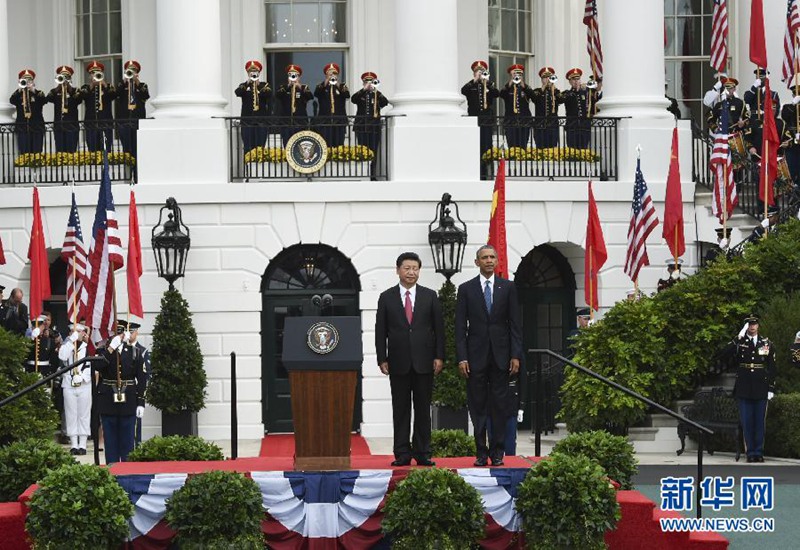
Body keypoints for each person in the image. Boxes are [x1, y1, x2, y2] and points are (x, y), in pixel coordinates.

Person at [375, 252, 445, 467]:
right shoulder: (386, 297)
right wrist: (381, 358)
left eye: (415, 268)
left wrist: (439, 356)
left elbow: (439, 330)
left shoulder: (430, 295)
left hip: (425, 361)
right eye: (407, 268)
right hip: (398, 362)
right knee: (401, 409)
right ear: (398, 270)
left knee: (423, 409)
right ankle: (402, 453)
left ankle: (423, 452)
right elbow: (380, 331)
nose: (411, 272)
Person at [455, 245, 522, 467]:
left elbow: (515, 325)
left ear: (497, 262)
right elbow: (459, 328)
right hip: (475, 358)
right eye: (484, 257)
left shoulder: (508, 287)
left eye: (493, 257)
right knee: (478, 406)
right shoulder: (466, 289)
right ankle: (481, 453)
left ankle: (498, 452)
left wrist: (515, 355)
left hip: (502, 357)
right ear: (477, 262)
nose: (489, 260)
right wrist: (462, 357)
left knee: (500, 406)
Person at [721, 314, 776, 463]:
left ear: (758, 325)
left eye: (754, 324)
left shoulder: (766, 343)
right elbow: (723, 355)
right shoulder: (740, 343)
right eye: (749, 324)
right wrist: (737, 338)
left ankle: (759, 452)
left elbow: (771, 366)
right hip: (744, 387)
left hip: (760, 387)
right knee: (747, 421)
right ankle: (750, 452)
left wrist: (771, 388)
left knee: (759, 422)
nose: (752, 326)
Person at [97, 320, 146, 463]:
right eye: (115, 333)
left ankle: (127, 473)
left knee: (127, 442)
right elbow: (98, 366)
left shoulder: (134, 353)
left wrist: (141, 402)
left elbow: (141, 379)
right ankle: (111, 472)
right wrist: (111, 349)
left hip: (128, 401)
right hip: (108, 401)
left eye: (120, 333)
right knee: (110, 443)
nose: (117, 336)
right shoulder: (104, 352)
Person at [461, 60, 500, 178]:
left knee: (487, 146)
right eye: (478, 71)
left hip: (487, 120)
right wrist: (475, 81)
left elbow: (496, 93)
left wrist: (487, 82)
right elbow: (463, 91)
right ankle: (476, 172)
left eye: (482, 71)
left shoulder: (489, 84)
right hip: (475, 120)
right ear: (474, 73)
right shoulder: (470, 85)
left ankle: (487, 173)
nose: (480, 73)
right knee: (475, 146)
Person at [58, 322, 91, 455]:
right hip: (68, 384)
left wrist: (83, 377)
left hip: (84, 385)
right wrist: (71, 341)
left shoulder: (87, 348)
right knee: (71, 414)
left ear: (84, 333)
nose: (76, 334)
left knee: (83, 414)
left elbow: (91, 366)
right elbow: (62, 356)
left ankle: (82, 444)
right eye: (73, 331)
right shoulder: (67, 346)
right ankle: (74, 444)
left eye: (79, 331)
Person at [351, 72, 389, 179]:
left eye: (371, 81)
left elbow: (385, 102)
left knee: (373, 152)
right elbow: (353, 99)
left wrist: (376, 90)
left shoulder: (377, 94)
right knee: (363, 151)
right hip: (361, 126)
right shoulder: (361, 94)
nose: (369, 83)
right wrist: (364, 89)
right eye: (366, 81)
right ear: (363, 82)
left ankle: (372, 175)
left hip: (374, 127)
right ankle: (363, 173)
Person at [115, 60, 150, 162]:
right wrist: (125, 81)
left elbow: (145, 95)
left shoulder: (142, 85)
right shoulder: (122, 85)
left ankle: (137, 174)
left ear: (137, 72)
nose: (131, 72)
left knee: (137, 149)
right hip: (124, 121)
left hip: (137, 121)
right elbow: (116, 94)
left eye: (133, 70)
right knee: (127, 151)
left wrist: (137, 82)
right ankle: (128, 174)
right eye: (129, 70)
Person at [235, 60, 272, 155]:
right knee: (248, 147)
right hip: (247, 122)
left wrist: (258, 85)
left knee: (260, 147)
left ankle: (258, 169)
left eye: (255, 72)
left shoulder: (264, 85)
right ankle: (248, 169)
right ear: (248, 73)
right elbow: (238, 92)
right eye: (251, 72)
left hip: (261, 122)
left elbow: (268, 94)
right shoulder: (244, 86)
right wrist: (248, 83)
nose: (253, 74)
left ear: (259, 73)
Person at [79, 61, 117, 152]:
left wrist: (103, 84)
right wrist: (92, 86)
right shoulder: (85, 87)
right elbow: (82, 97)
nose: (95, 75)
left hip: (106, 122)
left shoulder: (108, 87)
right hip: (91, 123)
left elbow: (114, 96)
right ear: (89, 76)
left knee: (106, 149)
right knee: (92, 149)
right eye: (92, 73)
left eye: (97, 73)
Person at [561, 68, 601, 149]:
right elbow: (561, 99)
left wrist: (591, 90)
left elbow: (594, 103)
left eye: (578, 79)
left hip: (584, 126)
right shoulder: (567, 93)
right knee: (572, 151)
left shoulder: (586, 92)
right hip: (572, 126)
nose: (576, 81)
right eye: (573, 79)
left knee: (584, 149)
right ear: (570, 82)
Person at [9, 68, 46, 155]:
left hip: (37, 126)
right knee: (24, 151)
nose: (27, 82)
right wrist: (19, 90)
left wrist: (33, 90)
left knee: (37, 151)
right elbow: (12, 101)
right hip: (23, 127)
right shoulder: (18, 94)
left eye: (29, 80)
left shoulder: (38, 93)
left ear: (33, 81)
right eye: (24, 80)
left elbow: (44, 101)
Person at [275, 64, 313, 146]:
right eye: (291, 75)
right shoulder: (283, 87)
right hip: (286, 122)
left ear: (299, 77)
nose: (293, 77)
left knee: (300, 146)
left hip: (300, 122)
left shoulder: (304, 87)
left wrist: (299, 87)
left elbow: (310, 97)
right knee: (287, 145)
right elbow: (278, 96)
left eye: (295, 75)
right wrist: (288, 86)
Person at [46, 65, 81, 153]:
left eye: (66, 77)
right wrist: (59, 87)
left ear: (70, 78)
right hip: (59, 126)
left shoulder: (75, 91)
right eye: (62, 77)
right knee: (60, 151)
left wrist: (68, 87)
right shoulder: (55, 91)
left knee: (71, 151)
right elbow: (48, 98)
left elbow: (79, 100)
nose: (64, 79)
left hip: (72, 126)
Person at [314, 63, 350, 147]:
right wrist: (326, 81)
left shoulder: (342, 86)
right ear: (326, 74)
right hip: (324, 121)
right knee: (326, 145)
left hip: (339, 121)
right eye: (330, 73)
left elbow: (347, 95)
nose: (332, 75)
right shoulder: (321, 86)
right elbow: (316, 94)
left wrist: (337, 84)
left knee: (339, 145)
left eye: (334, 73)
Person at [498, 64, 534, 148]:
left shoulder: (525, 88)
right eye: (515, 74)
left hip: (524, 121)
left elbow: (534, 96)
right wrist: (510, 82)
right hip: (510, 121)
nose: (517, 76)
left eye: (520, 74)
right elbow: (501, 94)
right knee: (512, 145)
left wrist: (523, 85)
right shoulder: (508, 88)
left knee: (523, 145)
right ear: (511, 75)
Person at [531, 66, 563, 149]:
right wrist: (543, 88)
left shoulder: (556, 91)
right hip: (540, 126)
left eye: (549, 77)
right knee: (540, 148)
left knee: (552, 149)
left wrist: (554, 89)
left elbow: (562, 100)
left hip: (552, 125)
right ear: (542, 79)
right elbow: (534, 98)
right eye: (545, 77)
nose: (548, 79)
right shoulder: (537, 91)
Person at [129, 324, 151, 446]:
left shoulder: (142, 351)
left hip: (136, 390)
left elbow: (145, 374)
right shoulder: (120, 349)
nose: (130, 334)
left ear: (136, 332)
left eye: (132, 332)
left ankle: (136, 446)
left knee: (136, 423)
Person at [744, 68, 780, 138]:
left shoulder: (773, 94)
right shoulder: (751, 92)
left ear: (766, 78)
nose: (760, 79)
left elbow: (777, 110)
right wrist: (754, 87)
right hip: (754, 122)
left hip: (767, 122)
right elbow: (747, 100)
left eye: (762, 77)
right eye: (758, 77)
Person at [25, 312, 61, 376]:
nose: (36, 328)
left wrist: (49, 372)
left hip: (44, 372)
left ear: (43, 327)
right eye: (35, 326)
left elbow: (54, 361)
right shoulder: (28, 340)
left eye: (39, 326)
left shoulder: (50, 341)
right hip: (30, 371)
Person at [780, 80, 800, 188]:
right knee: (791, 171)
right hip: (792, 145)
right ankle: (792, 196)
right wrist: (794, 104)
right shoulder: (788, 107)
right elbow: (785, 116)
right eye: (796, 94)